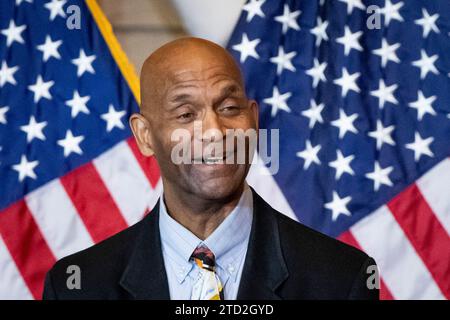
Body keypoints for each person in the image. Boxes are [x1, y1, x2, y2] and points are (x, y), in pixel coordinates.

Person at [43, 38, 379, 300]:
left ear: (254, 119)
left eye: (230, 108)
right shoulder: (77, 285)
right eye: (186, 114)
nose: (216, 132)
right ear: (145, 136)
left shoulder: (342, 278)